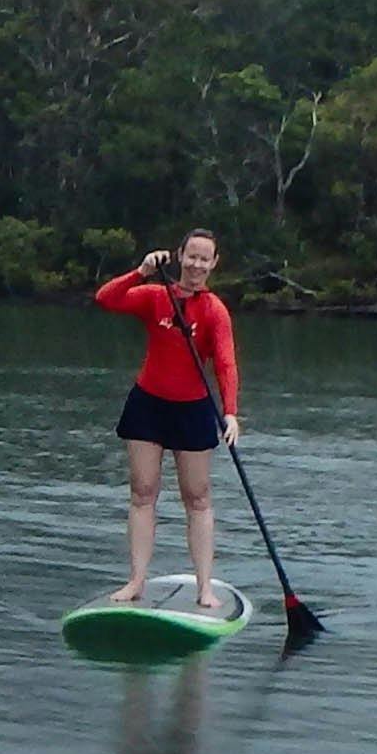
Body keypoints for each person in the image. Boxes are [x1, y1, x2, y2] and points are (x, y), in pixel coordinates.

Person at [94, 231, 241, 607]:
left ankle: (204, 588)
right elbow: (105, 299)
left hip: (192, 409)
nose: (196, 265)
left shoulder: (214, 310)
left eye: (204, 259)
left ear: (214, 264)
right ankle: (136, 581)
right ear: (180, 256)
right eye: (191, 256)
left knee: (198, 497)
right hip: (148, 404)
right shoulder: (156, 295)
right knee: (143, 493)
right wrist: (140, 272)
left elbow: (225, 363)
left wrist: (230, 413)